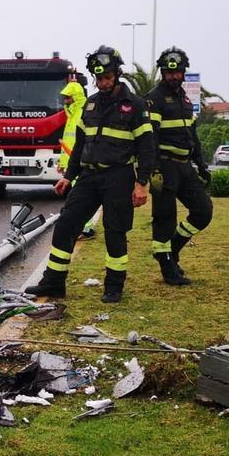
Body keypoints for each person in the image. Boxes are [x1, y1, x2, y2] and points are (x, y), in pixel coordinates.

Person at [26, 46, 155, 303]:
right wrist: (68, 176)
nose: (103, 83)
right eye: (99, 78)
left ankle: (114, 287)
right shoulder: (91, 104)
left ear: (117, 74)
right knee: (66, 224)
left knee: (115, 231)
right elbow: (80, 146)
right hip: (89, 176)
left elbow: (146, 146)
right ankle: (54, 282)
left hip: (119, 176)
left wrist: (142, 183)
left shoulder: (135, 105)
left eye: (107, 77)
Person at [144, 47, 213, 285]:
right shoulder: (154, 98)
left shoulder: (185, 99)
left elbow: (192, 135)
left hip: (185, 166)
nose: (173, 77)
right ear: (162, 73)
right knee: (164, 218)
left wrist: (201, 164)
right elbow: (150, 138)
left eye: (178, 72)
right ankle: (167, 268)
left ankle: (172, 250)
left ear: (183, 72)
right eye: (169, 73)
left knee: (203, 211)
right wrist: (153, 170)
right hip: (164, 166)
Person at [56, 82, 97, 240]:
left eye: (68, 97)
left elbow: (80, 143)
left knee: (81, 198)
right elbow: (68, 142)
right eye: (65, 98)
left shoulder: (82, 113)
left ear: (76, 97)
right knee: (77, 197)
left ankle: (86, 229)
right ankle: (84, 227)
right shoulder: (72, 114)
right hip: (73, 163)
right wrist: (63, 163)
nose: (65, 101)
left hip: (81, 163)